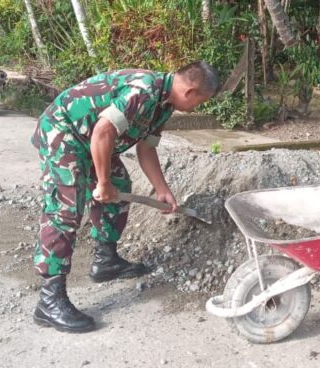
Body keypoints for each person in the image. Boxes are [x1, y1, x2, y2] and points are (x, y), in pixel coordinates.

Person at [30, 61, 219, 333]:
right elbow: (103, 131)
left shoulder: (164, 104)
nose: (197, 108)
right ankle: (49, 301)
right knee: (66, 209)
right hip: (64, 133)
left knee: (120, 186)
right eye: (201, 102)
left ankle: (105, 261)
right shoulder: (142, 92)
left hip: (91, 139)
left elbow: (147, 148)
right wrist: (102, 182)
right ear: (190, 92)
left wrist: (162, 189)